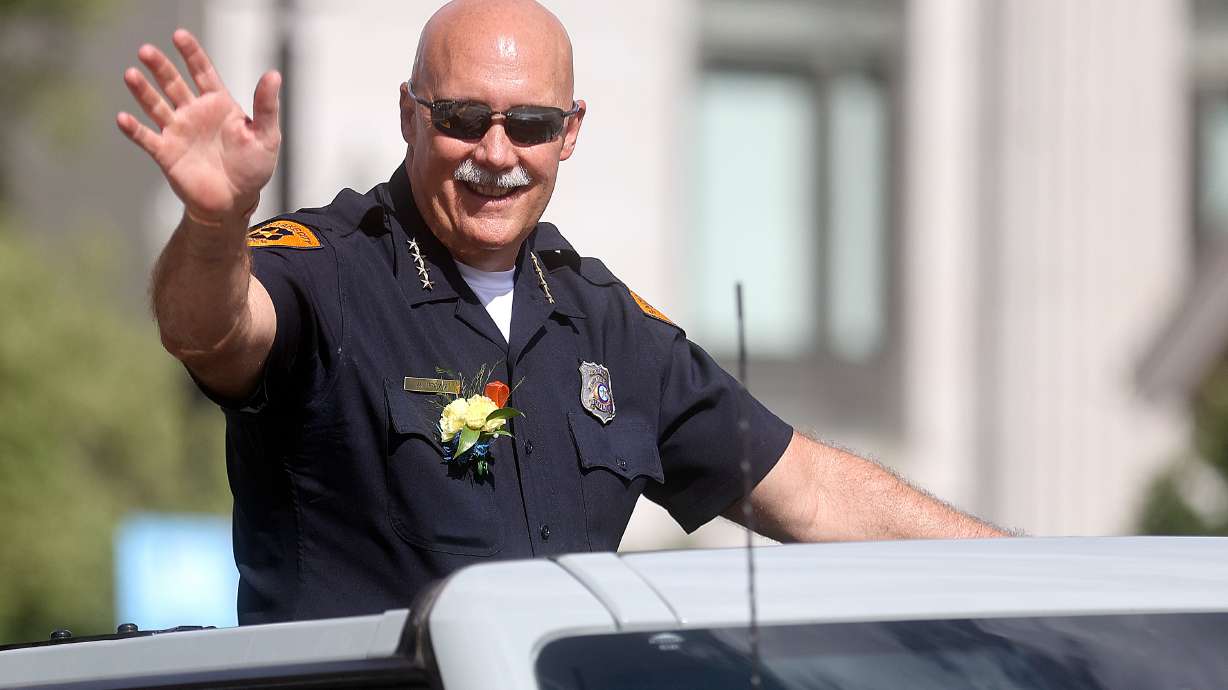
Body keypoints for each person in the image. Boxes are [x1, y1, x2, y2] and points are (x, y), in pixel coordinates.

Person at [117, 0, 1007, 625]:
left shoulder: (603, 322)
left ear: (571, 131)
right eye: (464, 117)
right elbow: (211, 329)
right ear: (408, 115)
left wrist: (1033, 573)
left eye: (531, 124)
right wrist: (214, 220)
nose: (496, 153)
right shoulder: (336, 269)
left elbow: (810, 495)